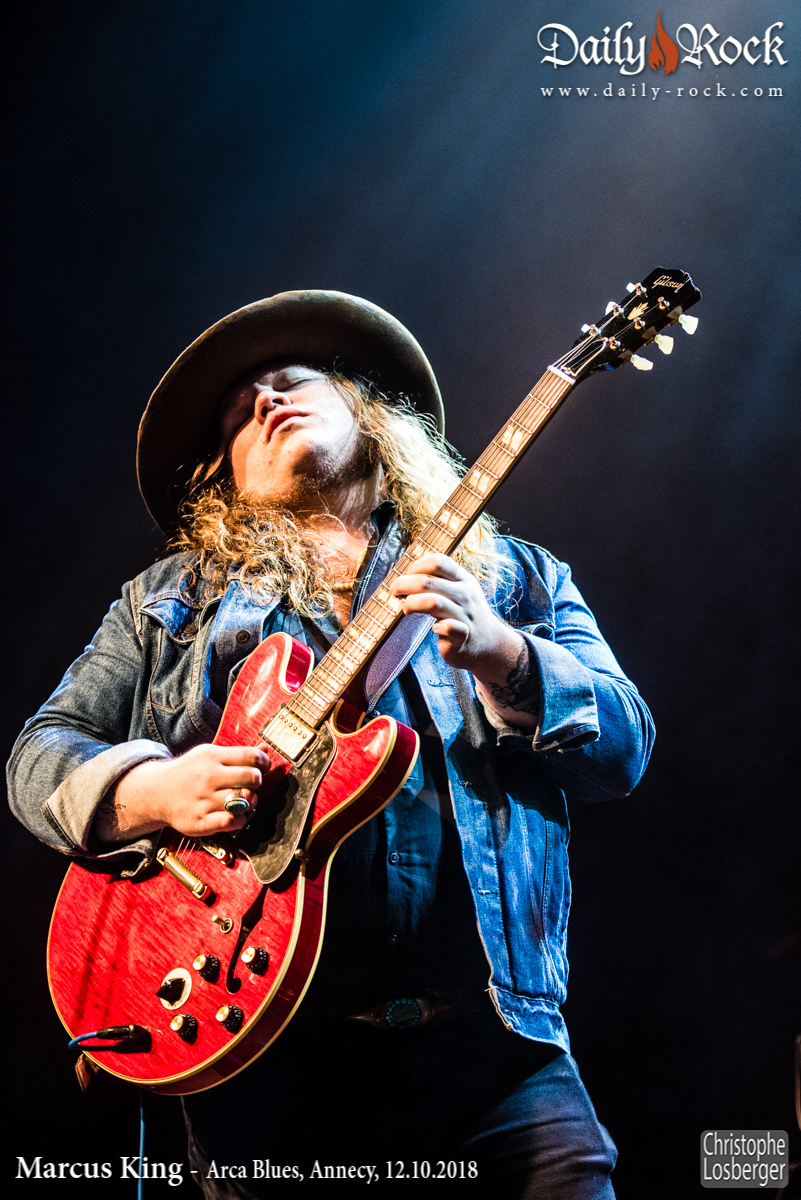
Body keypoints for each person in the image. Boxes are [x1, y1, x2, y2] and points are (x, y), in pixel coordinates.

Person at [8, 290, 654, 1198]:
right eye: (239, 415)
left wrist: (504, 654)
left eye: (291, 381)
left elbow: (623, 753)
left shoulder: (515, 578)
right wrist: (151, 789)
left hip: (494, 1053)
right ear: (226, 480)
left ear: (369, 410)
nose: (266, 401)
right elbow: (39, 755)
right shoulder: (167, 600)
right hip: (263, 1056)